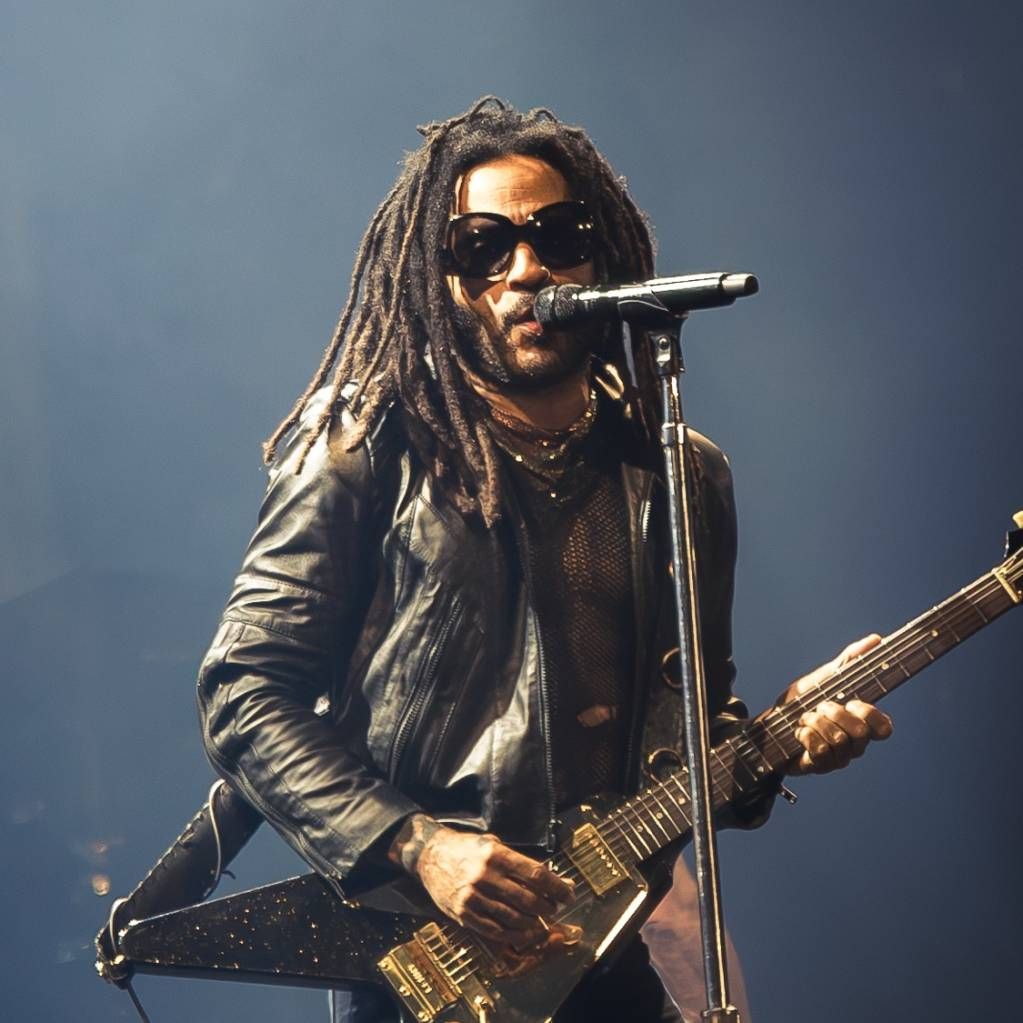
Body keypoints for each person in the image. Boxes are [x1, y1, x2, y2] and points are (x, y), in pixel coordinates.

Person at [196, 97, 893, 1023]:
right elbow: (243, 693)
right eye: (483, 247)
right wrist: (419, 845)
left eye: (557, 236)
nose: (527, 269)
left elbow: (685, 737)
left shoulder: (681, 474)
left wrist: (779, 745)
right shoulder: (363, 448)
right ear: (439, 278)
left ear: (601, 260)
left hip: (603, 957)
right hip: (427, 960)